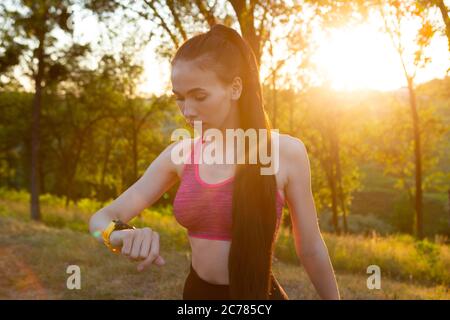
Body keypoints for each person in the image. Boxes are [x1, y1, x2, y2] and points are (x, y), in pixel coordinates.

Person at [89, 23, 340, 300]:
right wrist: (119, 234)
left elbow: (311, 247)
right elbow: (99, 219)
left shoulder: (286, 153)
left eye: (199, 96)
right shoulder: (181, 155)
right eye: (180, 98)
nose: (187, 111)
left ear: (234, 88)